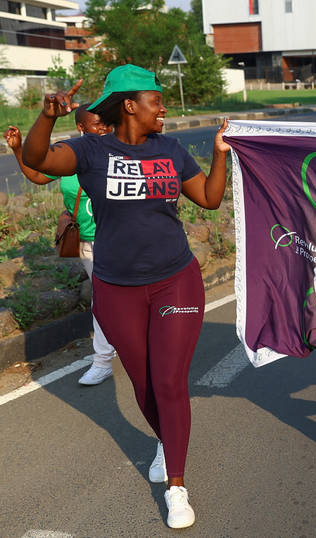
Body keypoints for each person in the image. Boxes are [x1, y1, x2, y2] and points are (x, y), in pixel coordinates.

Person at [21, 64, 230, 529]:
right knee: (144, 382)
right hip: (116, 288)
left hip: (175, 279)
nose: (164, 106)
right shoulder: (92, 150)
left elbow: (211, 200)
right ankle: (166, 439)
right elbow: (38, 160)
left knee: (171, 381)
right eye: (156, 99)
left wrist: (219, 155)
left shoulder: (171, 149)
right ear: (130, 105)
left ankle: (177, 486)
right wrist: (47, 117)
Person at [4, 106, 118, 386]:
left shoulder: (120, 151)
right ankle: (103, 361)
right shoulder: (69, 156)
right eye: (97, 124)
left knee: (132, 298)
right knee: (103, 303)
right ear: (81, 127)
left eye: (107, 124)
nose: (104, 128)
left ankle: (143, 348)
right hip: (91, 244)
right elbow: (39, 175)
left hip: (125, 240)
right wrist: (19, 151)